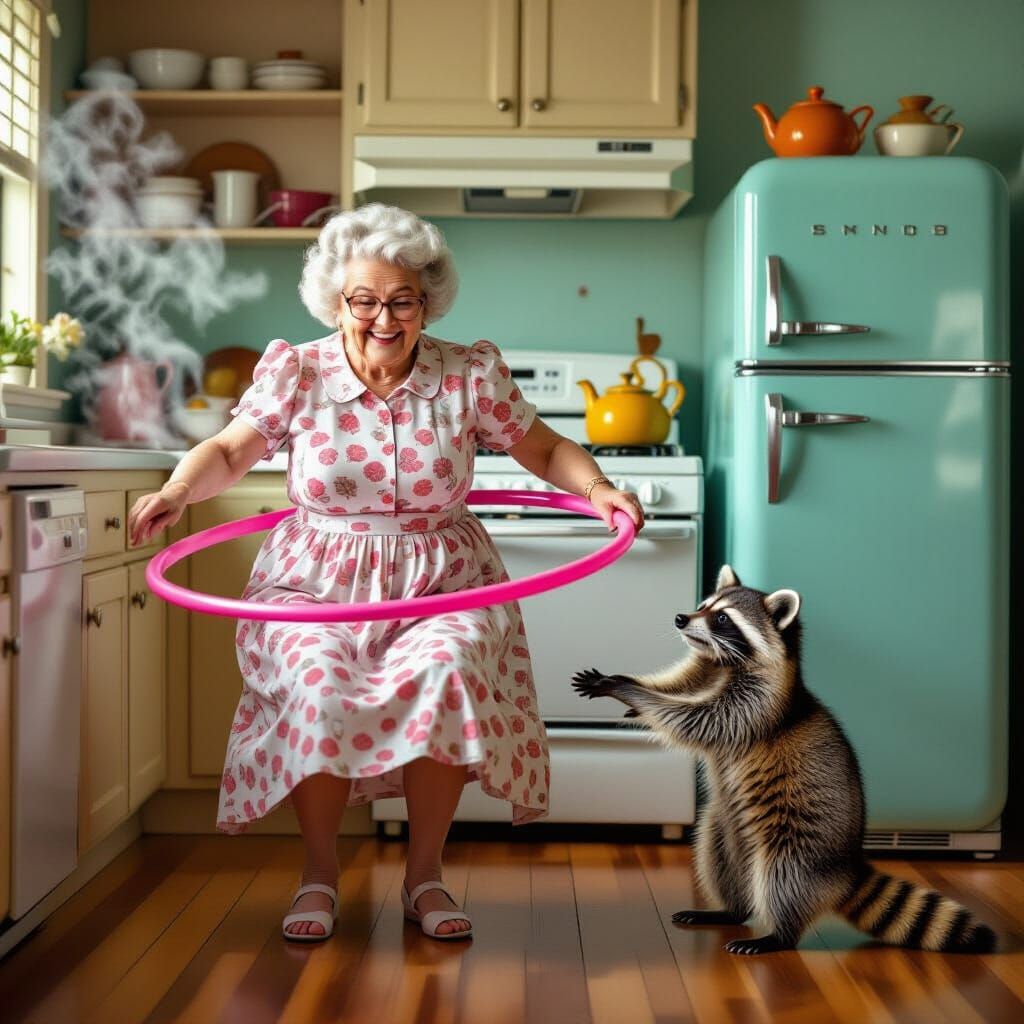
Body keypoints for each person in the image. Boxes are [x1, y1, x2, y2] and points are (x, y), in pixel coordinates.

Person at [128, 204, 645, 943]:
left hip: (443, 578)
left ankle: (424, 877)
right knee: (316, 678)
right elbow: (231, 450)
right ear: (336, 302)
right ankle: (319, 873)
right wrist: (178, 492)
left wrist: (596, 489)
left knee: (446, 669)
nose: (382, 318)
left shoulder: (468, 373)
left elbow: (541, 448)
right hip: (316, 580)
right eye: (363, 301)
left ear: (426, 303)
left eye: (402, 301)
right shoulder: (298, 370)